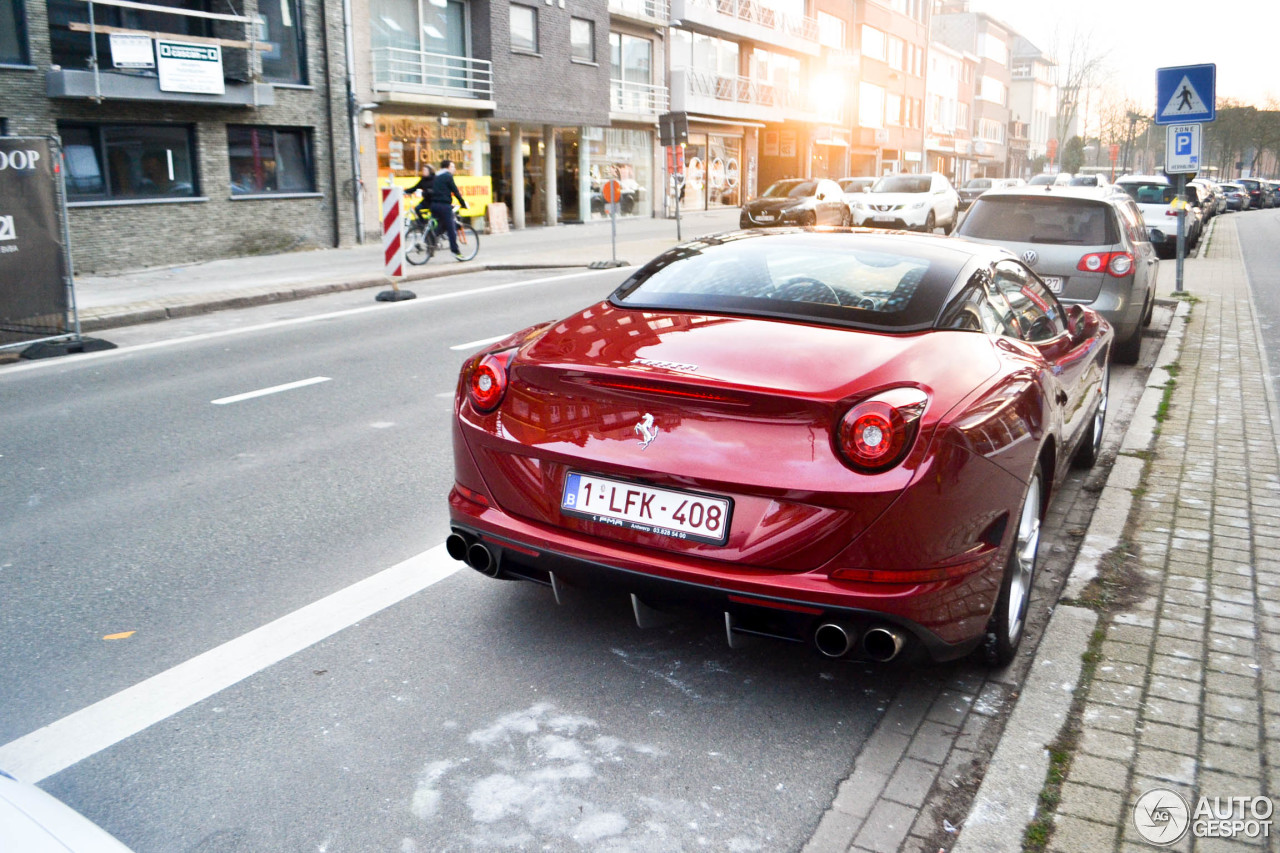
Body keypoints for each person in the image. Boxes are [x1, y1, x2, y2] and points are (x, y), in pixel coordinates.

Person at [430, 159, 469, 260]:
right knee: (451, 229)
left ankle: (430, 242)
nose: (454, 169)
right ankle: (455, 251)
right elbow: (455, 191)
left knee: (441, 226)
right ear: (447, 168)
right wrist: (463, 203)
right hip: (444, 206)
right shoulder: (448, 176)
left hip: (434, 205)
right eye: (453, 167)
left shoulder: (436, 176)